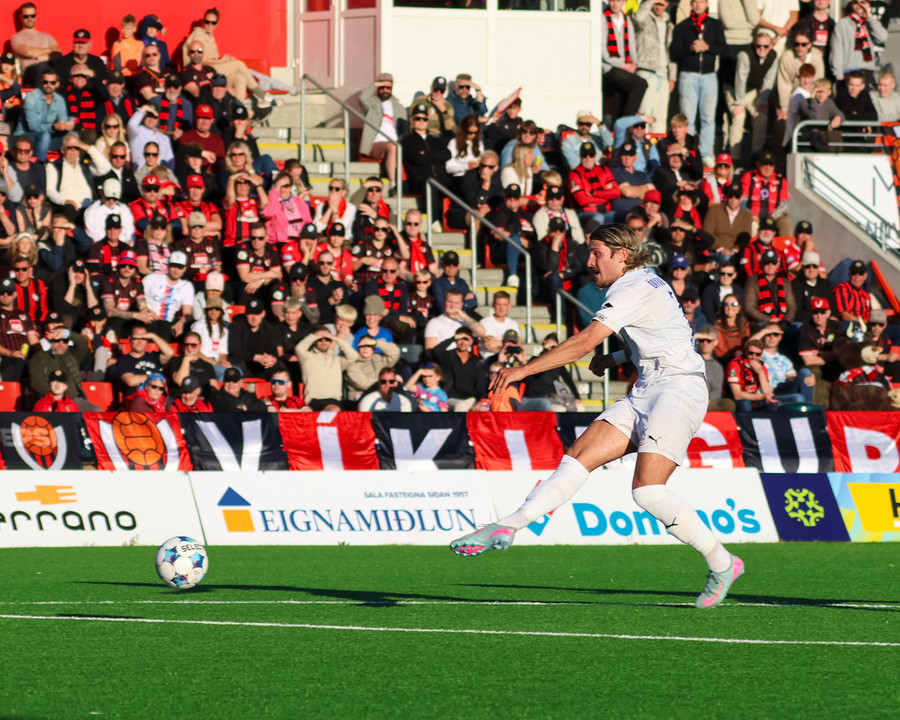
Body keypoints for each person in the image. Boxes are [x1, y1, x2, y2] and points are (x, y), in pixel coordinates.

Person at [451, 224, 743, 608]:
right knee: (577, 458)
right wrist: (618, 357)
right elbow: (667, 335)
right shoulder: (647, 280)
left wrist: (522, 370)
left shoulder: (630, 288)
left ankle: (723, 563)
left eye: (597, 253)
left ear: (622, 255)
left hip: (678, 390)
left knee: (647, 491)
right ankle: (509, 524)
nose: (589, 262)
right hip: (648, 388)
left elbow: (583, 343)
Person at [670, 0, 727, 166]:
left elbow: (723, 49)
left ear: (707, 4)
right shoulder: (683, 26)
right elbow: (674, 52)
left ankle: (706, 153)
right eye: (695, 1)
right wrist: (690, 48)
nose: (698, 5)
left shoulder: (715, 25)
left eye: (701, 2)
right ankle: (688, 150)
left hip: (709, 75)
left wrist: (708, 47)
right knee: (687, 117)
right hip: (688, 75)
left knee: (708, 117)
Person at [181, 8, 272, 110]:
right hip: (204, 71)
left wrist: (224, 59)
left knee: (240, 78)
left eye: (213, 23)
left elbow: (212, 57)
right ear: (203, 21)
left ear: (217, 24)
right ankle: (261, 95)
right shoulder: (198, 35)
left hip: (213, 68)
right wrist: (221, 61)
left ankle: (238, 110)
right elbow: (198, 60)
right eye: (207, 22)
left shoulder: (209, 36)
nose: (209, 25)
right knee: (239, 65)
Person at [601, 0, 648, 120]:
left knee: (619, 97)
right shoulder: (603, 19)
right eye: (612, 1)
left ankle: (617, 125)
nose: (615, 4)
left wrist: (634, 64)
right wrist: (623, 65)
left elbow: (631, 46)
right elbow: (603, 53)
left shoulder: (626, 19)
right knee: (640, 84)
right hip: (609, 67)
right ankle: (626, 122)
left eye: (618, 1)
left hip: (624, 67)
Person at [295, 326, 359, 411]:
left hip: (336, 400)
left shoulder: (336, 360)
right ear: (315, 341)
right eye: (320, 339)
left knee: (361, 406)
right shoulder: (307, 358)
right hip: (316, 400)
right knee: (334, 409)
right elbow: (299, 349)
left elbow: (354, 356)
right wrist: (314, 336)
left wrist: (337, 339)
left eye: (327, 339)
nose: (323, 342)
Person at [359, 73, 404, 190]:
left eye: (388, 87)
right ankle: (394, 184)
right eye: (382, 87)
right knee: (392, 147)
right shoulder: (371, 103)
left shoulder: (399, 106)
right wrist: (375, 84)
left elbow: (404, 127)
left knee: (398, 147)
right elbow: (362, 98)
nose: (385, 90)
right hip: (375, 143)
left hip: (395, 143)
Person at [830, 0, 887, 84]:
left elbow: (883, 37)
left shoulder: (871, 23)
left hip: (868, 72)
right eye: (855, 2)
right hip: (849, 72)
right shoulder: (842, 24)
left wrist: (870, 17)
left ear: (868, 4)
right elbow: (836, 51)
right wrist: (838, 75)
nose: (859, 5)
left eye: (863, 2)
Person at [431, 326, 487, 412]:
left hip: (471, 399)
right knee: (461, 406)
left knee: (484, 408)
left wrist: (480, 401)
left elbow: (481, 385)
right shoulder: (448, 356)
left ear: (471, 342)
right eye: (460, 339)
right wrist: (453, 338)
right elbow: (436, 351)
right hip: (451, 398)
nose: (462, 342)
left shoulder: (476, 361)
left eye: (466, 339)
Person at [22, 68, 71, 162]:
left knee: (73, 136)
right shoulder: (31, 97)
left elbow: (62, 120)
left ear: (57, 84)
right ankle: (39, 166)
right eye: (45, 82)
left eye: (52, 82)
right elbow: (33, 126)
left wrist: (65, 126)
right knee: (45, 136)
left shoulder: (59, 99)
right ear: (41, 82)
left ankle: (70, 167)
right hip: (28, 136)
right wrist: (53, 126)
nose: (49, 85)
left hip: (49, 137)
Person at [10, 3, 60, 79]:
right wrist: (50, 50)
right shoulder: (16, 37)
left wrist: (37, 57)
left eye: (32, 16)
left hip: (49, 75)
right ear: (20, 17)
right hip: (29, 75)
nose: (29, 19)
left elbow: (57, 53)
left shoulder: (47, 37)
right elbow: (29, 52)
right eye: (26, 16)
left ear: (36, 17)